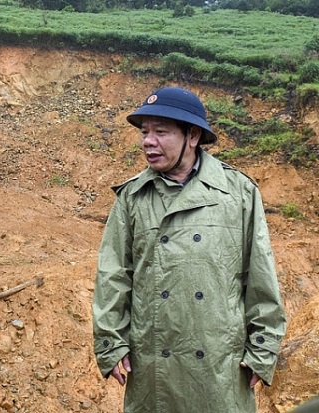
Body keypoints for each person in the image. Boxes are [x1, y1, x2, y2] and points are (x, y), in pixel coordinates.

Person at [92, 86, 287, 412]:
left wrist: (263, 349)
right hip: (154, 365)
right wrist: (111, 343)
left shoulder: (237, 193)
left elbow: (260, 276)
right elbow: (113, 275)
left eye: (161, 132)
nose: (147, 141)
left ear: (192, 135)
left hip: (219, 364)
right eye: (144, 132)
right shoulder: (132, 197)